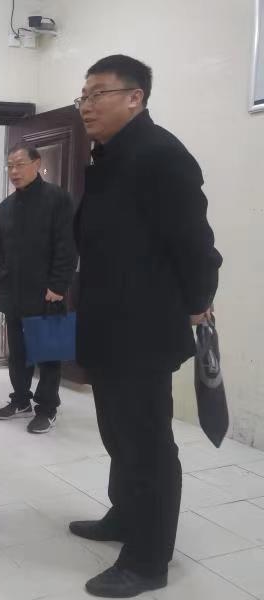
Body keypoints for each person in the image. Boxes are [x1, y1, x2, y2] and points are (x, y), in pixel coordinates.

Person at [68, 55, 222, 597]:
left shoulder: (161, 155)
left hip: (142, 330)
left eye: (98, 94)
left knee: (147, 443)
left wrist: (198, 302)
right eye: (84, 95)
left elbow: (196, 244)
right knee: (118, 433)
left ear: (135, 98)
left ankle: (148, 559)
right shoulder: (111, 156)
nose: (86, 105)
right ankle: (126, 515)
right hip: (110, 324)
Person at [0, 143, 76, 434]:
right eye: (10, 166)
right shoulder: (6, 206)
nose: (14, 171)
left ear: (36, 164)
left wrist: (58, 285)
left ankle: (47, 408)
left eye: (19, 164)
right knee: (17, 351)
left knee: (48, 352)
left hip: (46, 291)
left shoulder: (57, 199)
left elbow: (67, 245)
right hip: (13, 291)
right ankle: (20, 400)